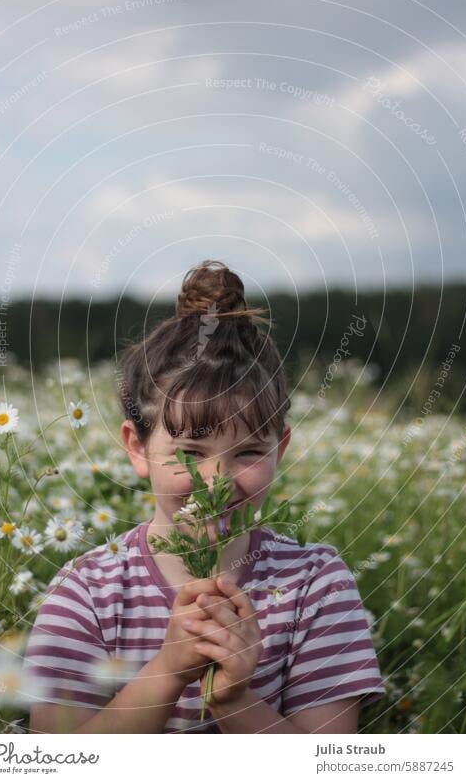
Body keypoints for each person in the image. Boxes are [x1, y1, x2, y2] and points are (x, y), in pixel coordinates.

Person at [24, 259, 385, 733]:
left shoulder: (315, 587)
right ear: (137, 447)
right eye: (190, 451)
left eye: (249, 452)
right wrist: (168, 671)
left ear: (281, 450)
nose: (217, 481)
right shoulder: (88, 593)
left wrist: (233, 699)